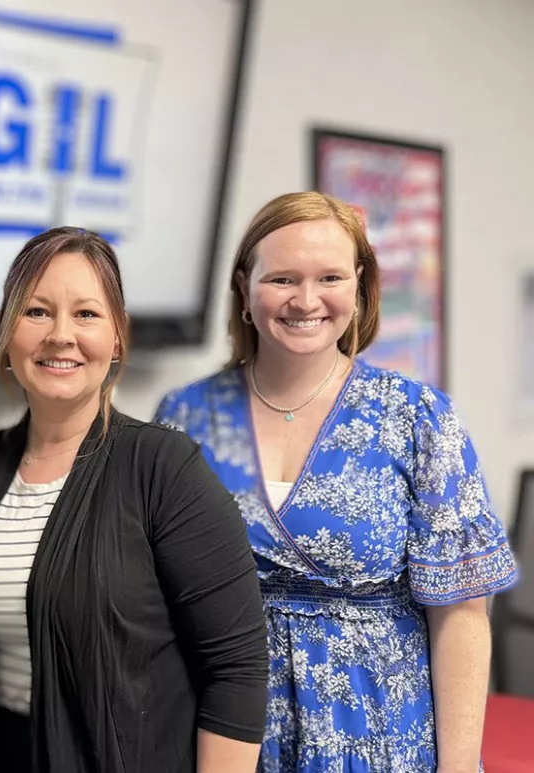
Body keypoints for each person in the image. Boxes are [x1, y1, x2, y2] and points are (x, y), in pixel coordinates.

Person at [155, 191, 519, 772]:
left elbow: (462, 614)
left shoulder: (416, 417)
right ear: (244, 288)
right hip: (230, 733)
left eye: (329, 277)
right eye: (282, 279)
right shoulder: (186, 417)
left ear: (359, 286)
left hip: (381, 733)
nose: (306, 300)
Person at [0, 226, 269, 773]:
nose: (60, 335)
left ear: (118, 337)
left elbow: (236, 669)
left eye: (86, 314)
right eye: (37, 312)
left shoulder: (164, 469)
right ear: (6, 330)